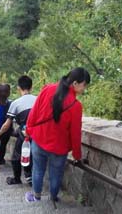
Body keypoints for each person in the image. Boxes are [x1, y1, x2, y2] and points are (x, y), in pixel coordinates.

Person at [24, 67, 90, 203]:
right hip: (59, 148)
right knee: (56, 175)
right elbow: (75, 134)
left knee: (37, 170)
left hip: (39, 140)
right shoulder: (75, 105)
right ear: (76, 83)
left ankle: (36, 196)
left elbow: (34, 112)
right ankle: (53, 198)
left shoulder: (48, 89)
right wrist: (77, 156)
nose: (85, 89)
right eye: (84, 85)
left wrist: (29, 131)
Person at [0, 76, 37, 185]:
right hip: (38, 133)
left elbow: (7, 124)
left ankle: (17, 178)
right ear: (31, 87)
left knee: (16, 157)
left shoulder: (16, 103)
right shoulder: (38, 100)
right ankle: (32, 177)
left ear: (18, 87)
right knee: (35, 156)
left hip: (24, 133)